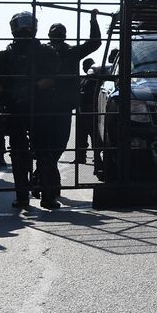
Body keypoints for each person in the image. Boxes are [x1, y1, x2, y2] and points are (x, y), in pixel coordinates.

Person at [0, 11, 61, 210]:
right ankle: (24, 196)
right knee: (19, 153)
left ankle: (46, 195)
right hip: (16, 109)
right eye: (23, 25)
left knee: (44, 153)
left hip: (39, 107)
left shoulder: (44, 52)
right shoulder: (5, 56)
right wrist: (10, 94)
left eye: (29, 25)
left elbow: (51, 79)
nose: (26, 28)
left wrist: (31, 90)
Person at [45, 13, 102, 201]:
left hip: (57, 105)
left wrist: (93, 21)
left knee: (52, 147)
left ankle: (45, 180)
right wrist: (93, 20)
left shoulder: (68, 53)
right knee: (51, 147)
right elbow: (95, 42)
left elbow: (94, 43)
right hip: (52, 105)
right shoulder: (48, 53)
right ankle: (46, 182)